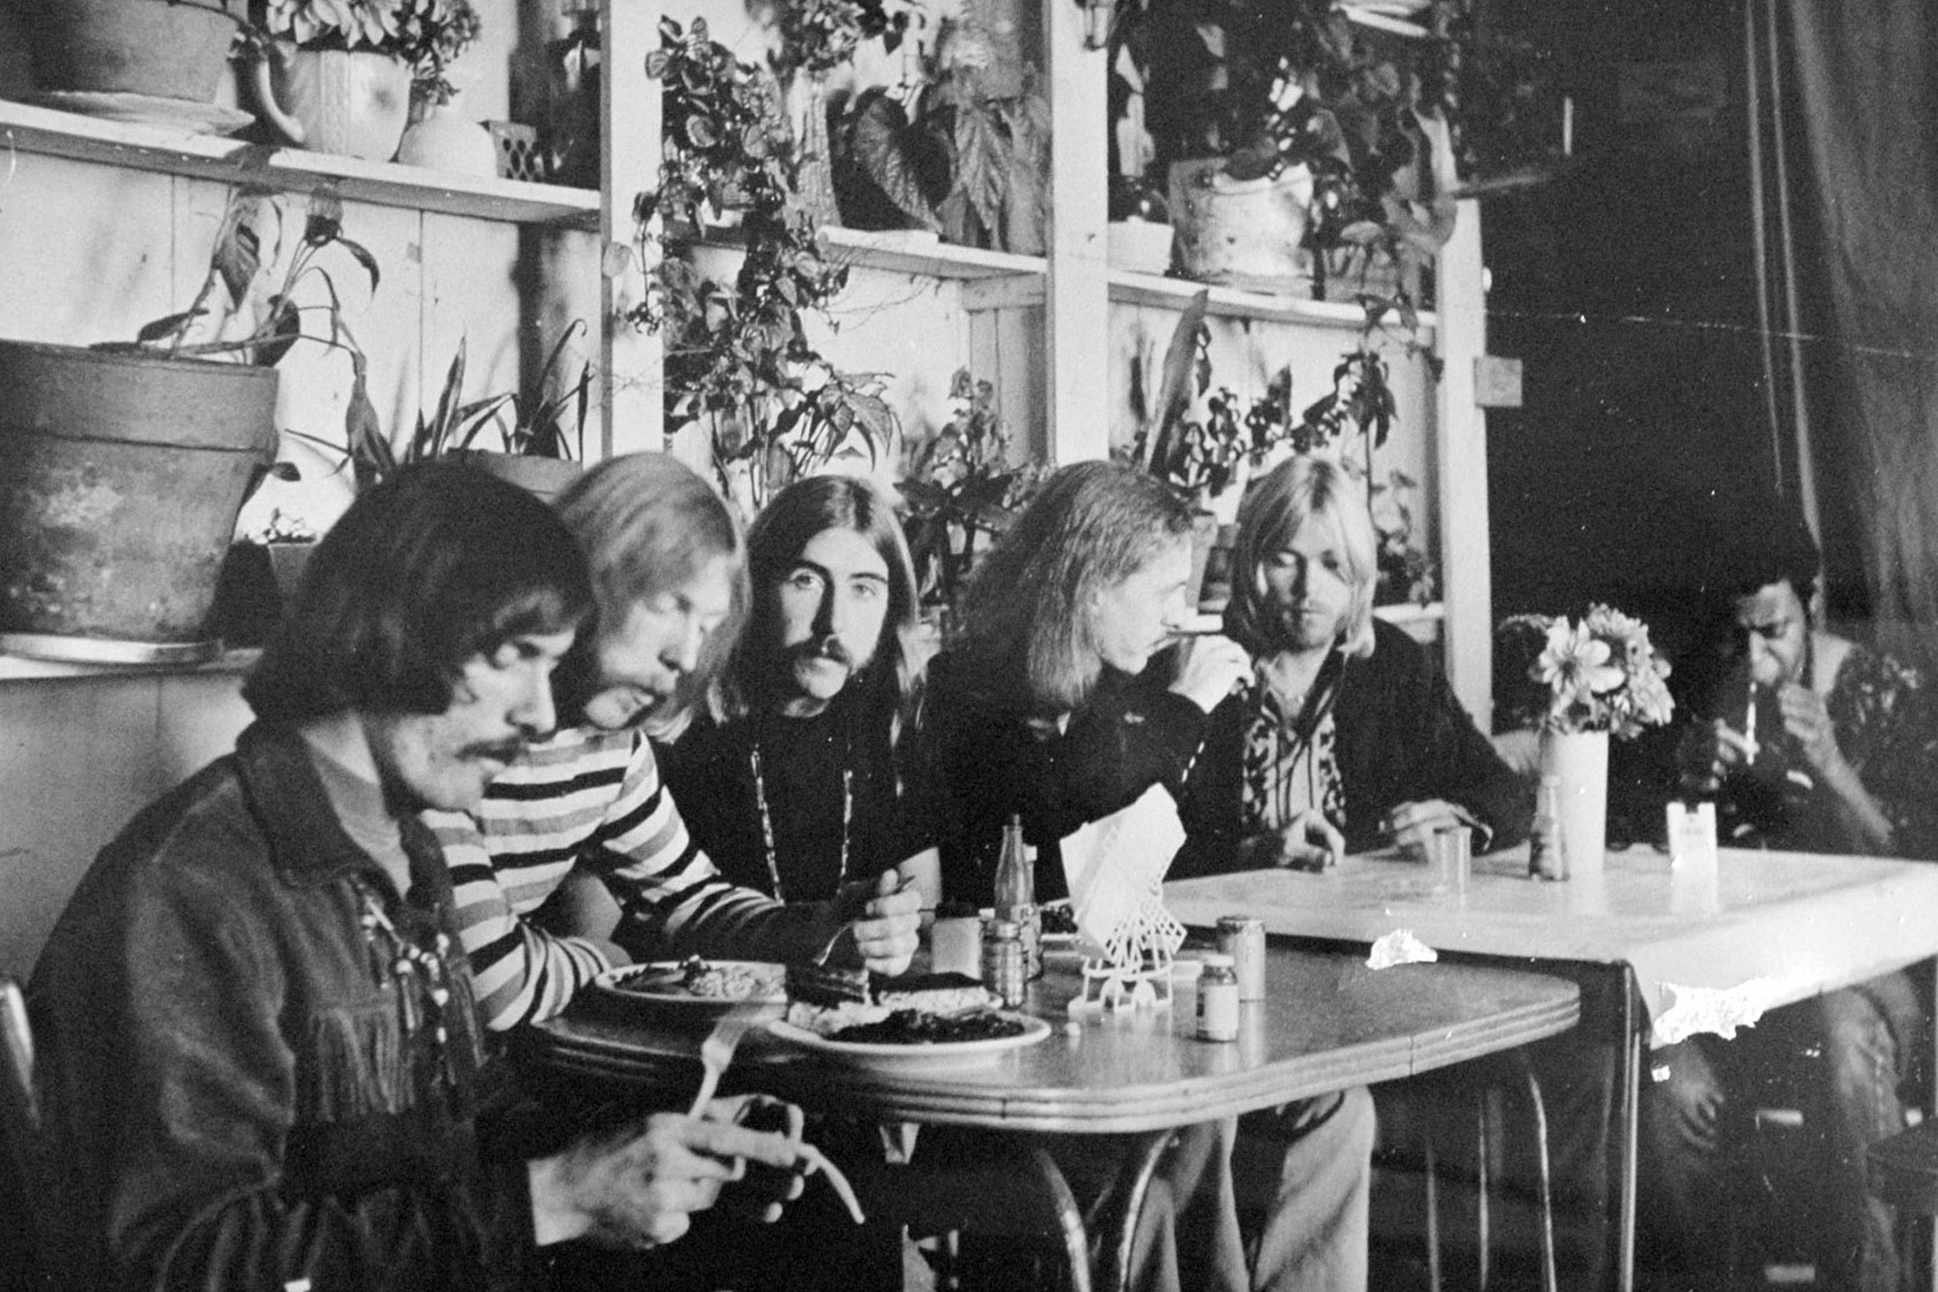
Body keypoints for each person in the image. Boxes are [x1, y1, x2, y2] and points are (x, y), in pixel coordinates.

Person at [26, 464, 813, 1290]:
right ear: (399, 631)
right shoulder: (195, 887)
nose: (543, 715)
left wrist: (661, 1153)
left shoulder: (406, 848)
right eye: (515, 659)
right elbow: (181, 1264)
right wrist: (549, 1201)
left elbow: (462, 1141)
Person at [928, 460, 1373, 1292]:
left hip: (1109, 1014)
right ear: (1090, 586)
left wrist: (1244, 840)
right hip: (1013, 1044)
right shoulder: (968, 691)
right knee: (1196, 1124)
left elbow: (1148, 864)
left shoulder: (1115, 690)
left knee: (1334, 1103)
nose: (1183, 616)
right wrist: (1185, 714)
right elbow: (1059, 841)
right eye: (1167, 590)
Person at [438, 453, 922, 1033]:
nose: (687, 657)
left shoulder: (614, 748)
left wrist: (820, 926)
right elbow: (495, 986)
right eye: (671, 606)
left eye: (705, 626)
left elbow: (691, 902)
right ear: (589, 576)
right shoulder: (462, 722)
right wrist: (611, 961)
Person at [1644, 498, 1938, 1292]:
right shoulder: (1697, 699)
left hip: (1857, 977)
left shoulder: (1874, 688)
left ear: (1808, 609)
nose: (1756, 654)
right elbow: (1655, 878)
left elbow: (1920, 872)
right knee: (1668, 1081)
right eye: (1737, 633)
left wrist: (1835, 769)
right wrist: (1686, 793)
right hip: (1734, 980)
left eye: (1773, 631)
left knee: (1847, 1046)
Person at [1170, 454, 1530, 874]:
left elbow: (1507, 794)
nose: (1308, 589)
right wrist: (1250, 854)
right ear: (1251, 564)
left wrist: (1458, 820)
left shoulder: (1396, 666)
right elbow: (1129, 847)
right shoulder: (1199, 670)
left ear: (1360, 571)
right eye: (1285, 560)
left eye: (1332, 564)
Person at [659, 473, 940, 910]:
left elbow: (922, 909)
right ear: (754, 587)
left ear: (891, 610)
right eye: (806, 580)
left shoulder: (889, 725)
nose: (834, 622)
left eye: (864, 589)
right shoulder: (683, 730)